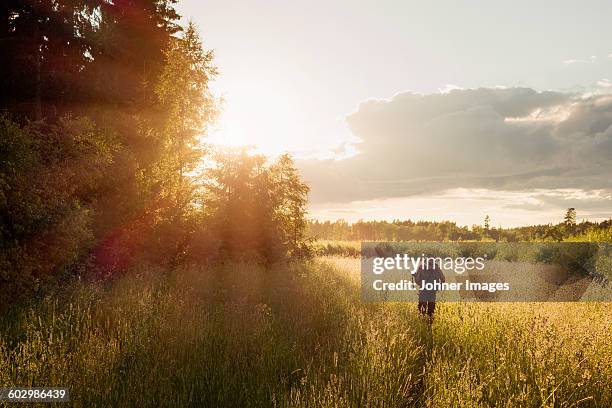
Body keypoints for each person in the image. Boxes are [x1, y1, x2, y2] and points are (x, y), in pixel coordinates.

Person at [414, 257, 446, 323]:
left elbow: (417, 281)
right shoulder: (437, 268)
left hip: (423, 291)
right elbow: (443, 279)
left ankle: (422, 324)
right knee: (431, 311)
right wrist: (438, 285)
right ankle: (429, 326)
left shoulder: (422, 267)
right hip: (433, 292)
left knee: (422, 310)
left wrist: (416, 277)